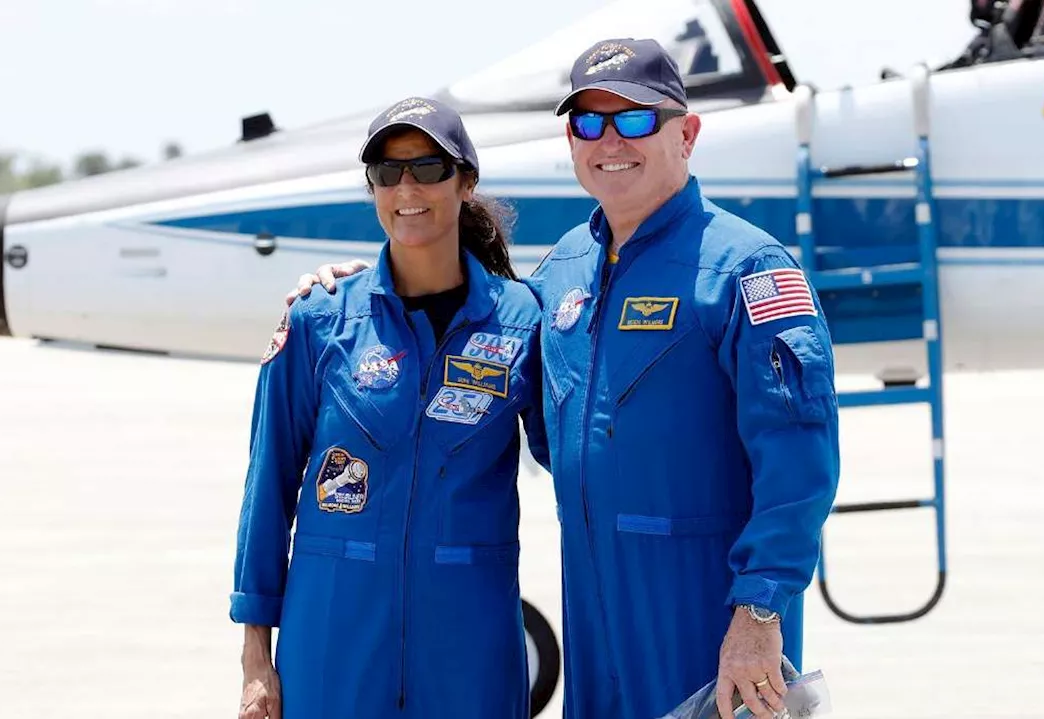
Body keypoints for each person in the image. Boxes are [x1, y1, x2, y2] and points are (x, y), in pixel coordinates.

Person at [289, 38, 840, 719]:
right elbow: (491, 346)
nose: (610, 140)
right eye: (589, 122)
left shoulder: (747, 270)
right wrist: (355, 287)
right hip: (594, 605)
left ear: (687, 134)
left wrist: (759, 612)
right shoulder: (563, 272)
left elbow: (800, 465)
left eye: (635, 119)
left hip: (709, 606)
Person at [230, 95, 549, 719]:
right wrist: (255, 660)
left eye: (428, 167)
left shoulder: (522, 321)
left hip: (469, 640)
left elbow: (583, 461)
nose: (407, 186)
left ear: (465, 182)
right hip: (333, 637)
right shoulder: (319, 319)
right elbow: (265, 490)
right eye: (386, 170)